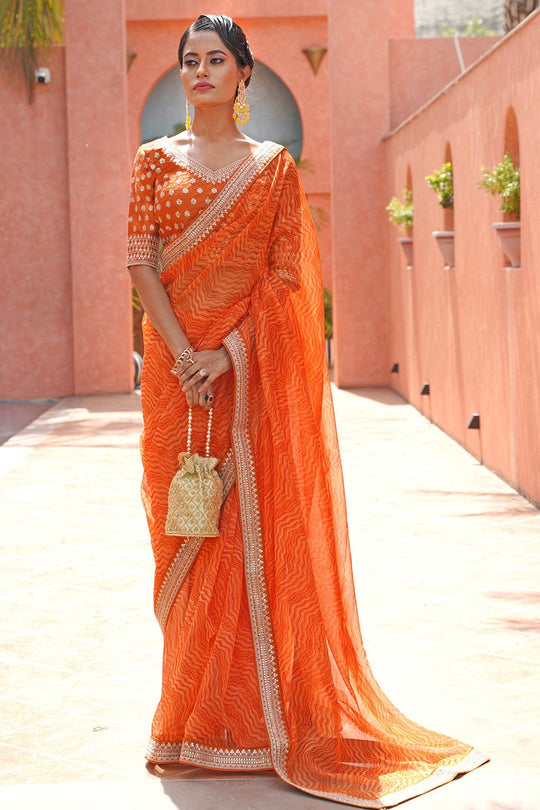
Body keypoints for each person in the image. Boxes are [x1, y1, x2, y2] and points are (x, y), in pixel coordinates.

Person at [127, 14, 488, 807]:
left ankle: (257, 724)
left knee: (251, 533)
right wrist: (188, 353)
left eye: (215, 59)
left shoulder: (273, 170)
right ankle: (191, 720)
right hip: (175, 379)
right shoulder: (154, 163)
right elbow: (140, 263)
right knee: (185, 533)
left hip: (243, 378)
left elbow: (290, 281)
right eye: (189, 60)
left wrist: (229, 356)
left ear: (243, 74)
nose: (199, 71)